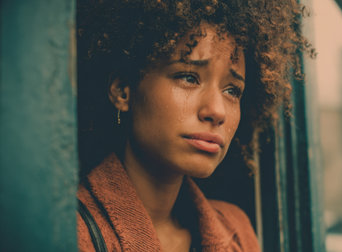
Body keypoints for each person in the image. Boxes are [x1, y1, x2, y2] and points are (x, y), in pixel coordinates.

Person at [76, 0, 313, 251]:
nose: (217, 111)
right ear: (123, 91)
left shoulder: (236, 231)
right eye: (189, 77)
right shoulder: (68, 231)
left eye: (232, 90)